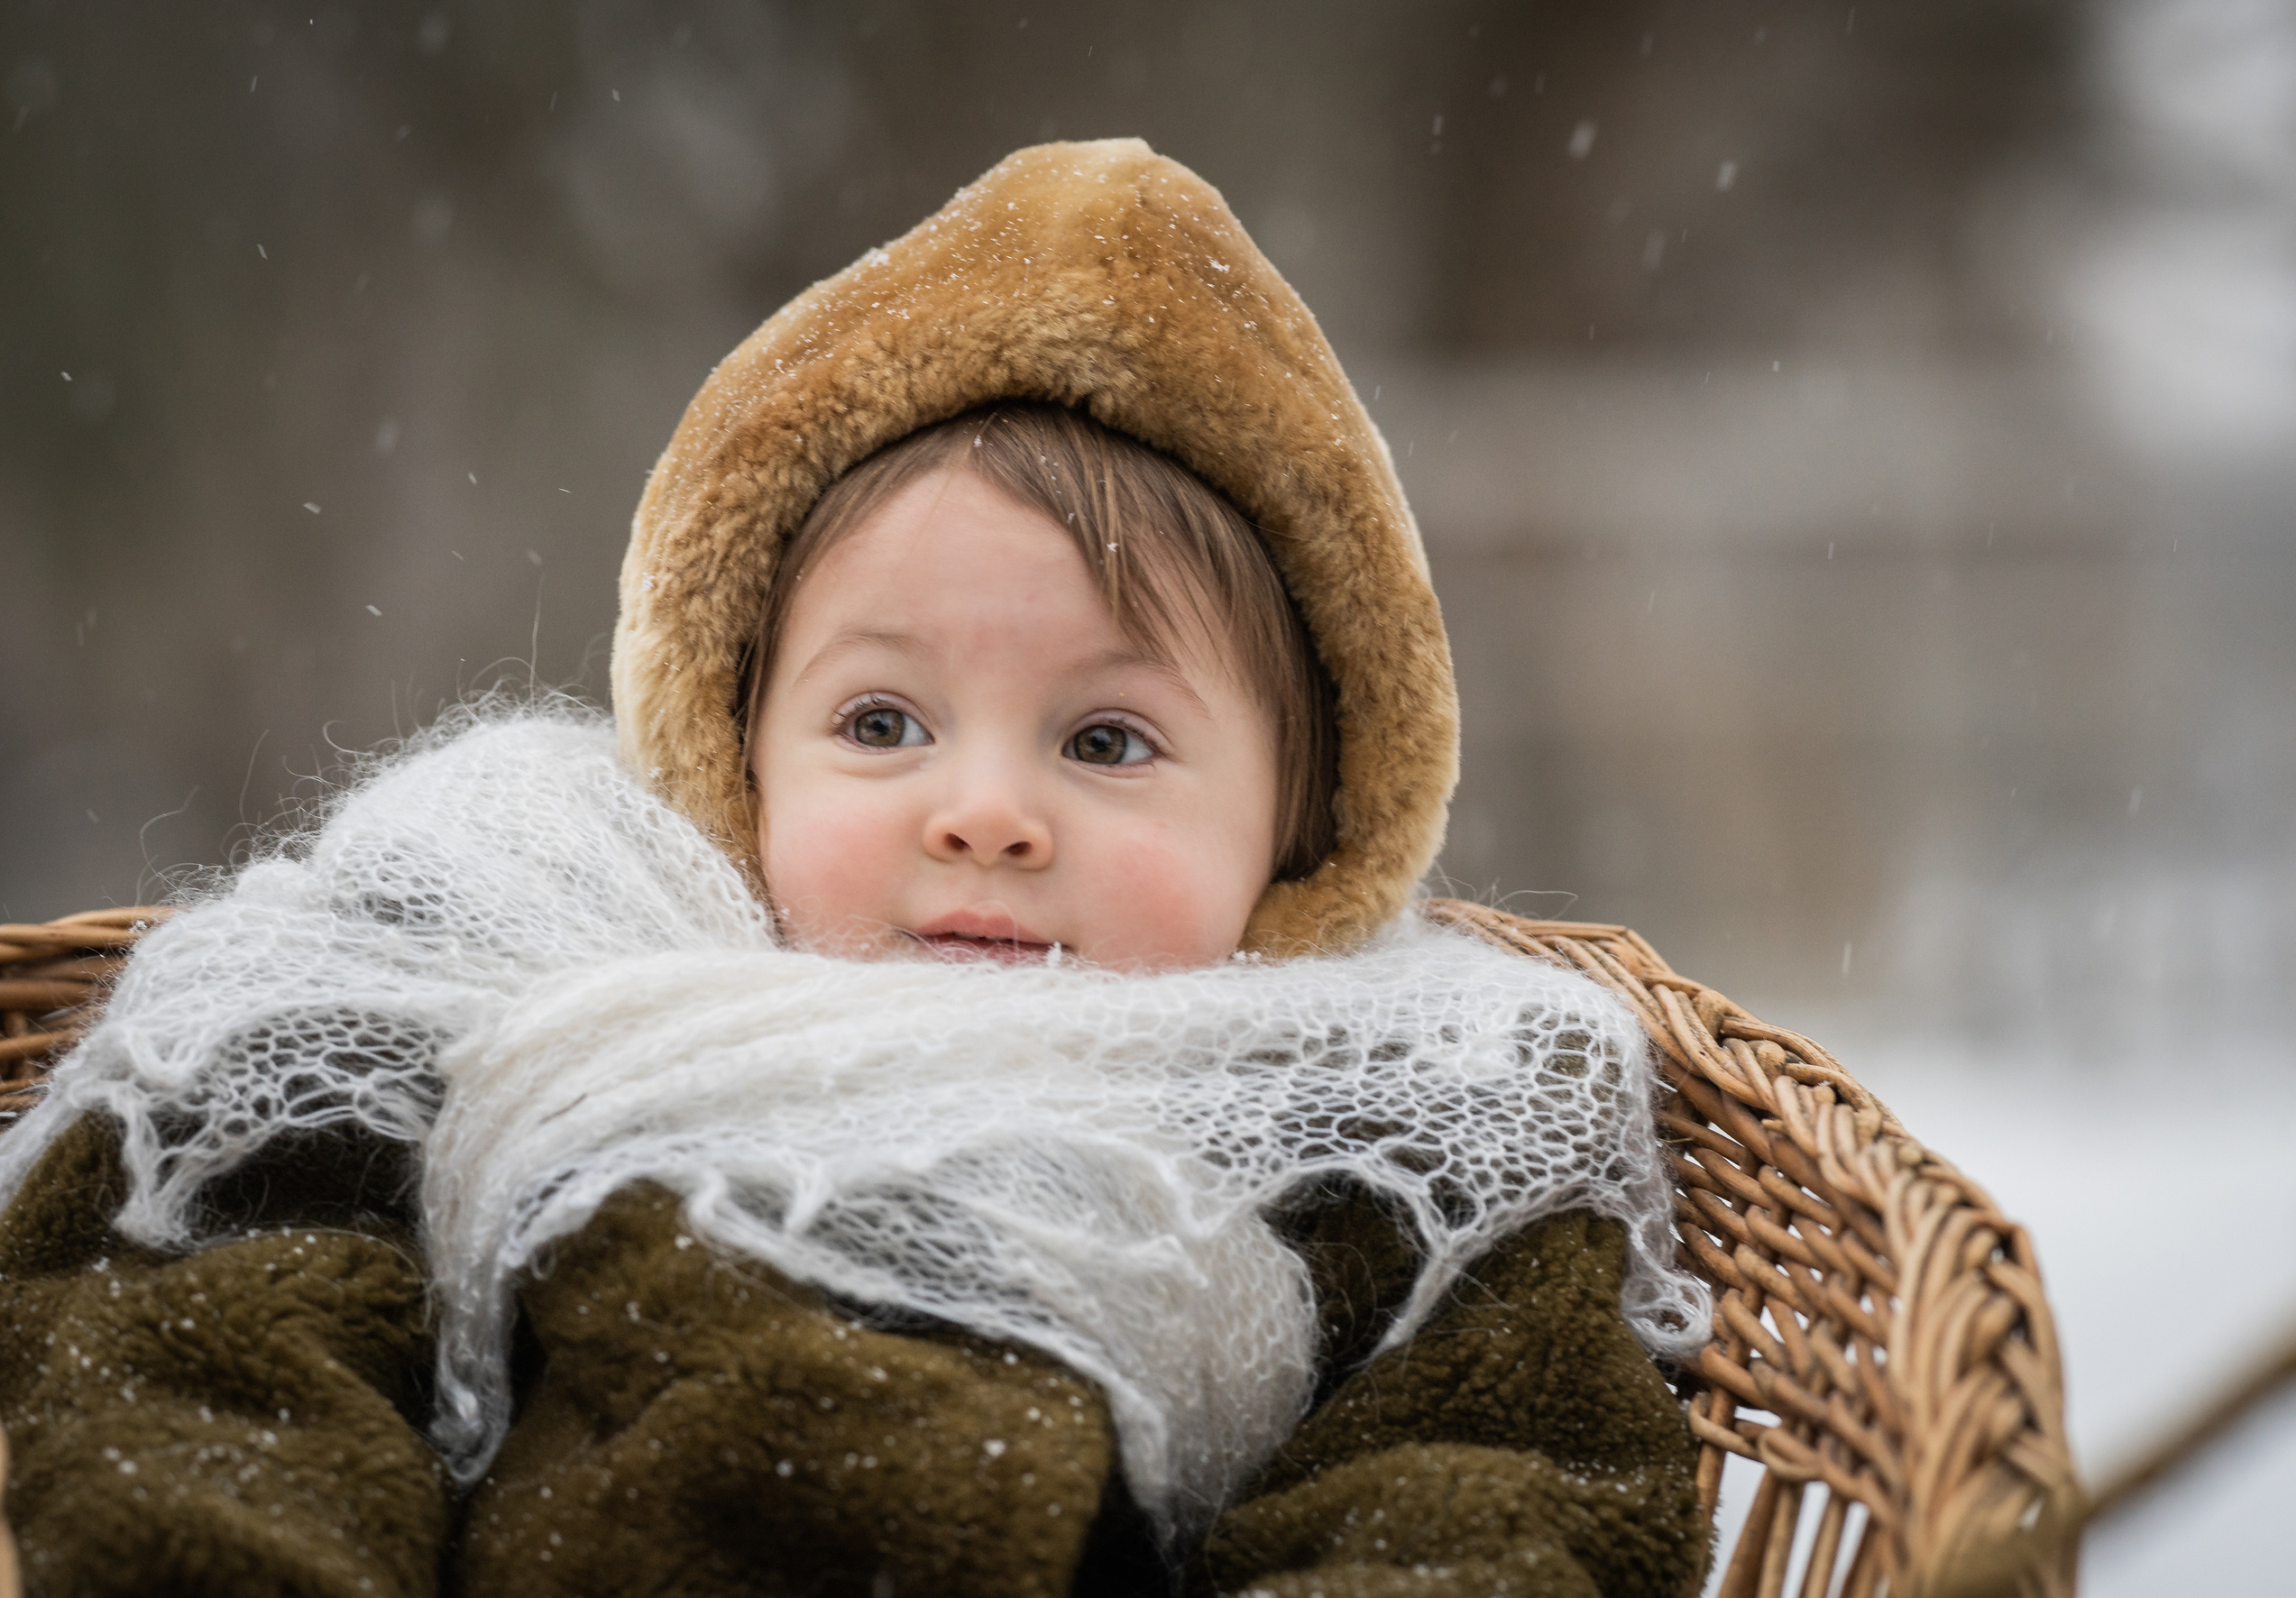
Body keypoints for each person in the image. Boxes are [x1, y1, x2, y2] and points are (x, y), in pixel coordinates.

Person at [0, 141, 1712, 1597]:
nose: (985, 813)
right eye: (883, 722)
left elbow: (1497, 1497)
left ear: (1298, 838)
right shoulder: (541, 967)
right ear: (735, 757)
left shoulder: (1394, 1131)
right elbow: (214, 1315)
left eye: (1107, 740)